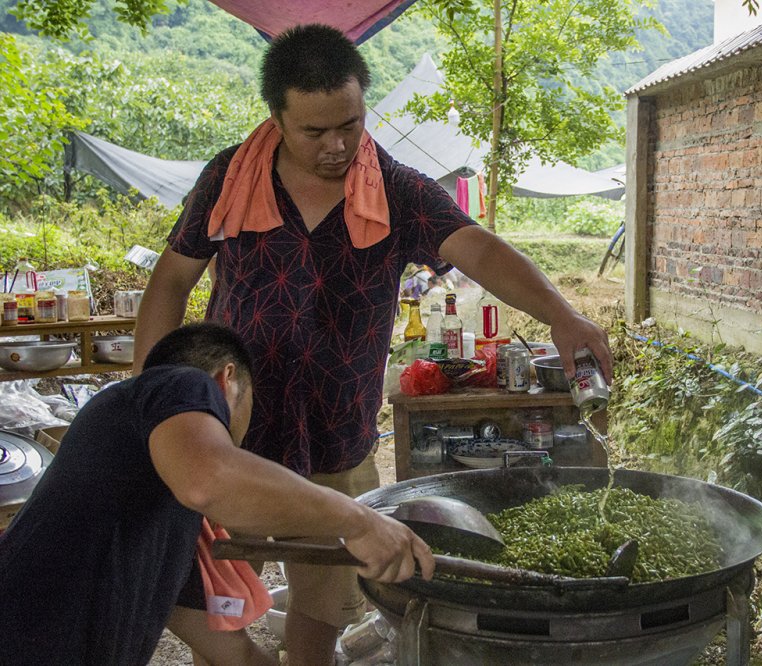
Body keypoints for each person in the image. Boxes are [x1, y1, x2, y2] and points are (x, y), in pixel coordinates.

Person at [131, 24, 612, 665]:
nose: (336, 146)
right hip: (234, 430)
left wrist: (563, 314)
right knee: (225, 590)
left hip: (337, 429)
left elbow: (479, 248)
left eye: (350, 125)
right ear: (276, 117)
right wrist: (150, 397)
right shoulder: (230, 176)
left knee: (322, 600)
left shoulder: (397, 190)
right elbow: (170, 282)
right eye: (313, 131)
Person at [0, 322, 434, 666]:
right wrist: (359, 521)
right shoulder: (178, 384)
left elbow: (236, 655)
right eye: (250, 407)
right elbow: (209, 478)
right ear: (226, 379)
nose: (241, 436)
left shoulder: (153, 501)